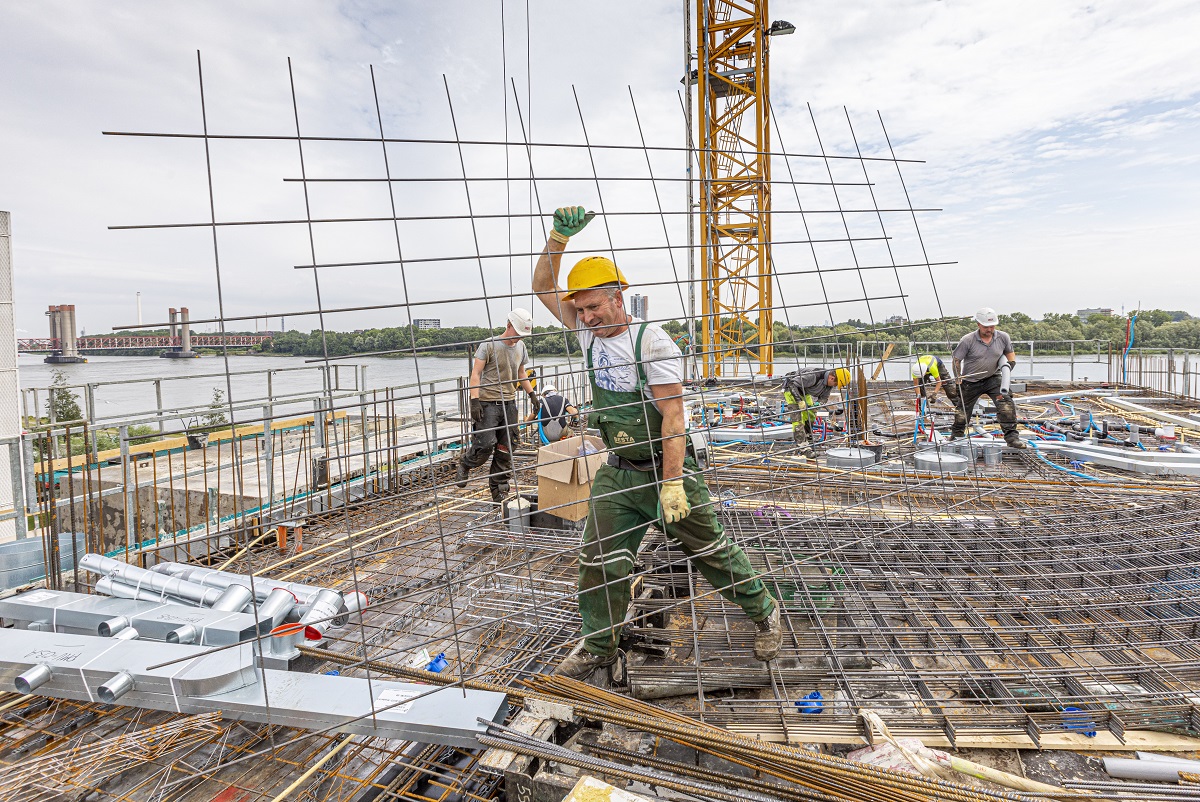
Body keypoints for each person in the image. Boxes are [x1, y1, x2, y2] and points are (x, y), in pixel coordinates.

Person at [532, 205, 783, 683]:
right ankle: (599, 647)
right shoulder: (588, 335)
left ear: (618, 297)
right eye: (580, 310)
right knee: (597, 562)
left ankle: (764, 611)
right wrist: (557, 240)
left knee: (711, 553)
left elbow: (672, 417)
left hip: (666, 468)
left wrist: (672, 486)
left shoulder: (653, 343)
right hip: (619, 472)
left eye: (593, 307)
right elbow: (543, 287)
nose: (585, 317)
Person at [455, 309, 541, 502]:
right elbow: (476, 374)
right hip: (488, 403)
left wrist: (532, 395)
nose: (519, 338)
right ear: (509, 325)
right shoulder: (489, 345)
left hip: (509, 403)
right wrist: (474, 400)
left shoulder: (521, 347)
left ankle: (499, 491)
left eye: (522, 335)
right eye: (517, 333)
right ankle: (466, 464)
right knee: (485, 445)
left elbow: (521, 373)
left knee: (506, 448)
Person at [951, 308, 1025, 448]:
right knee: (962, 411)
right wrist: (958, 379)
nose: (989, 329)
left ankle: (1012, 438)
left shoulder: (1003, 337)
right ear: (978, 324)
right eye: (986, 327)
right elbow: (956, 360)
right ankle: (957, 437)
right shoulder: (967, 340)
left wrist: (1009, 367)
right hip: (970, 381)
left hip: (993, 378)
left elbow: (1010, 354)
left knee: (1006, 405)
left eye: (992, 326)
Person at [780, 367, 852, 458]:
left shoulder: (829, 384)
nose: (834, 386)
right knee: (798, 420)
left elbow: (824, 398)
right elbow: (792, 384)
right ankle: (803, 449)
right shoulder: (814, 376)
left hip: (804, 392)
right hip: (791, 390)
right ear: (832, 378)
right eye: (835, 384)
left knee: (811, 415)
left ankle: (808, 439)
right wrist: (799, 401)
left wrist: (818, 404)